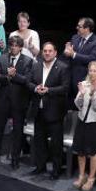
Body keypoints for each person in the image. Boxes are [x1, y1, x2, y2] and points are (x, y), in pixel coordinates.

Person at [0, 36, 33, 169]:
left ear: (20, 48)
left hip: (19, 101)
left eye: (16, 45)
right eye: (11, 45)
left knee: (18, 132)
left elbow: (27, 80)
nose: (13, 47)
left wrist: (14, 75)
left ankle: (15, 160)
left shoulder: (28, 61)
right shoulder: (2, 58)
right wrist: (7, 77)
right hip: (2, 100)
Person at [27, 42, 70, 180]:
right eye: (45, 51)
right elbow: (28, 82)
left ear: (55, 53)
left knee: (56, 144)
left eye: (50, 51)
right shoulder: (36, 65)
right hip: (38, 110)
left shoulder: (63, 67)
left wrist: (48, 90)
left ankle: (56, 170)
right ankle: (40, 167)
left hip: (55, 112)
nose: (47, 53)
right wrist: (35, 88)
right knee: (39, 141)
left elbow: (65, 88)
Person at [71, 60, 96, 191]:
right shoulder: (85, 84)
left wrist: (92, 95)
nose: (92, 73)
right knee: (81, 151)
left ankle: (91, 178)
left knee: (93, 152)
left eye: (94, 71)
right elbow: (77, 104)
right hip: (82, 120)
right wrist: (82, 94)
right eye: (90, 70)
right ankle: (82, 175)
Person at [63, 17, 96, 103]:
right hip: (70, 77)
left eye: (79, 26)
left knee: (80, 105)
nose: (77, 28)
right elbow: (68, 54)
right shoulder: (75, 37)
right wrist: (66, 52)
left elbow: (92, 59)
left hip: (84, 79)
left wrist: (74, 54)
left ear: (87, 29)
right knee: (68, 105)